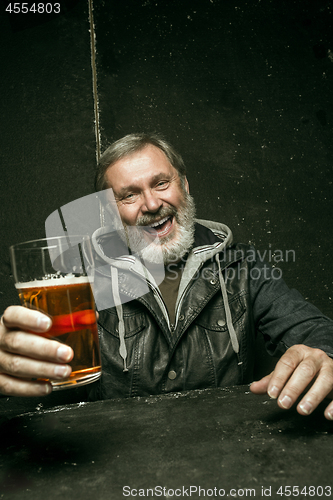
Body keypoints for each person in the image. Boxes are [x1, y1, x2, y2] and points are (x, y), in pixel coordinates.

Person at [1, 133, 333, 420]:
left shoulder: (242, 264)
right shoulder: (76, 278)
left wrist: (324, 354)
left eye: (161, 183)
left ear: (184, 185)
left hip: (227, 453)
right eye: (129, 194)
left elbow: (313, 331)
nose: (151, 203)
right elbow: (29, 368)